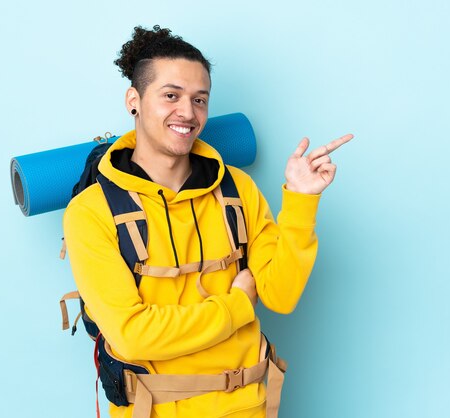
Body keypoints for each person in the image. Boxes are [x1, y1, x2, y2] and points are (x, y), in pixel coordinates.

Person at [63, 25, 353, 418]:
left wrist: (301, 201)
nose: (188, 112)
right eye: (171, 96)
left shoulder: (238, 189)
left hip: (249, 406)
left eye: (200, 99)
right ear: (134, 100)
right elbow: (132, 336)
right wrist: (236, 306)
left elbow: (281, 296)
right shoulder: (91, 211)